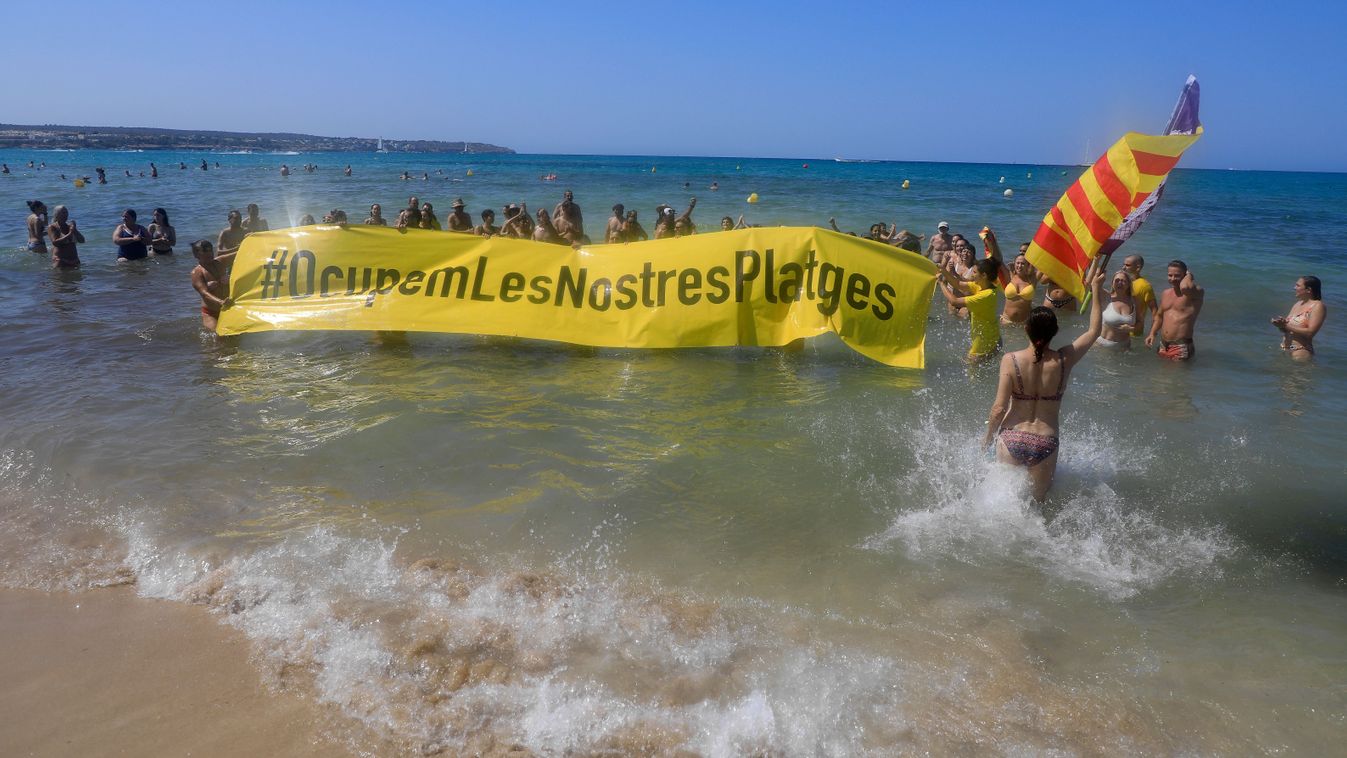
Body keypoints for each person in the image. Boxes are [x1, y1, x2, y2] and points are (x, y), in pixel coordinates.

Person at [983, 270, 1106, 501]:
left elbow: (998, 409)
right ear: (1055, 332)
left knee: (1004, 503)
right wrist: (1097, 290)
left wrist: (987, 439)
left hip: (1012, 437)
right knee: (1037, 507)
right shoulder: (1063, 360)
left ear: (1026, 329)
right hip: (1045, 441)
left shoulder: (1010, 360)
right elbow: (1094, 331)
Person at [936, 258, 1003, 362]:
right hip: (993, 339)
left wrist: (941, 283)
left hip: (986, 344)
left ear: (984, 275)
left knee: (972, 371)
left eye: (975, 272)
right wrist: (943, 271)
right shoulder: (981, 286)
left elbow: (954, 301)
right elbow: (958, 284)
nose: (972, 275)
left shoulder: (986, 295)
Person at [1145, 260, 1204, 361]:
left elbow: (1185, 287)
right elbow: (1159, 316)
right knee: (1159, 376)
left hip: (1181, 346)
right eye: (1170, 275)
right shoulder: (1166, 293)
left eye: (1177, 275)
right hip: (1163, 345)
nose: (1172, 279)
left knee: (1176, 377)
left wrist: (1189, 275)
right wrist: (1152, 333)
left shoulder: (1195, 293)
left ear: (1185, 275)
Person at [1272, 276, 1326, 361]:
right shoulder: (1297, 304)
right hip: (1285, 348)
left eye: (1298, 286)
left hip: (1300, 351)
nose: (1294, 288)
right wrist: (1280, 325)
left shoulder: (1318, 306)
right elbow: (1287, 330)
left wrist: (1285, 325)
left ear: (1308, 290)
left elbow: (1310, 333)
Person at [190, 239, 234, 333]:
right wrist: (221, 302)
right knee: (217, 336)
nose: (209, 253)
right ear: (196, 255)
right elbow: (204, 293)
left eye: (210, 250)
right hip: (211, 313)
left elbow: (240, 253)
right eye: (205, 251)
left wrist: (249, 239)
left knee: (235, 336)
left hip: (228, 307)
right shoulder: (197, 272)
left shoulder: (221, 261)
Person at [1120, 255, 1158, 340]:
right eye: (1123, 264)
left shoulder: (1144, 286)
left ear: (1138, 268)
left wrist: (1152, 333)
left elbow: (1155, 312)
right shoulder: (1120, 282)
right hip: (1116, 330)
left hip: (1133, 334)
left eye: (1127, 265)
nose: (1123, 268)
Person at [1097, 268, 1135, 349]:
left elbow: (1140, 324)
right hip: (1103, 345)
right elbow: (1094, 284)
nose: (1120, 283)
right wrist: (1096, 264)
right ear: (1112, 283)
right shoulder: (1107, 297)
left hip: (1125, 347)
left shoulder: (1134, 302)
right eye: (1117, 280)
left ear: (1128, 284)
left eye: (1123, 281)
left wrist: (1131, 328)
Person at [1001, 254, 1037, 325]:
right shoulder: (1010, 276)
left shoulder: (1033, 279)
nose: (1019, 266)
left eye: (1023, 264)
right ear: (1014, 264)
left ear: (1028, 265)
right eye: (1018, 263)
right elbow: (998, 260)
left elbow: (1045, 267)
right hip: (1006, 321)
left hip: (1025, 323)